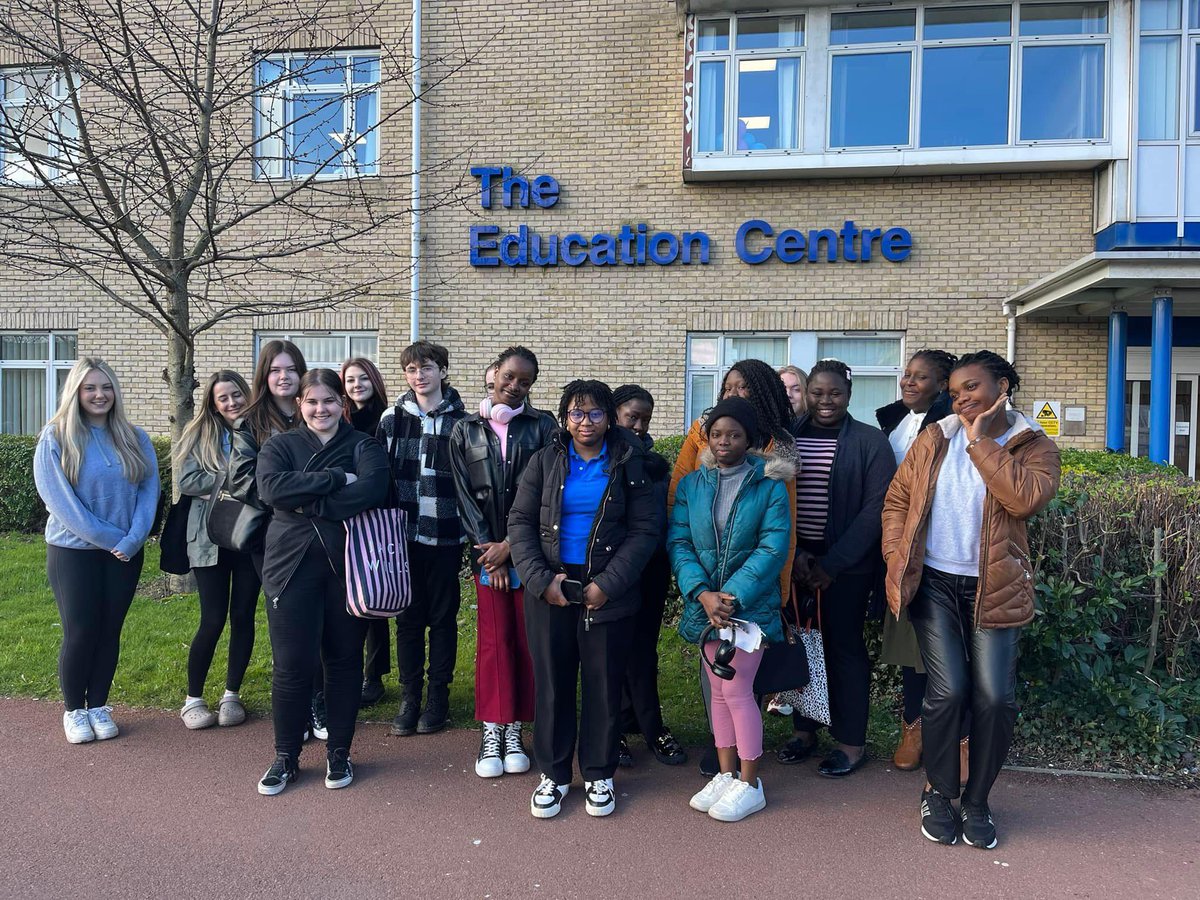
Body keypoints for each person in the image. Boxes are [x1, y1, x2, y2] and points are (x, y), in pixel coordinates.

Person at [882, 351, 1059, 848]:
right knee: (948, 691)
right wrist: (897, 553)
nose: (961, 399)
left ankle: (977, 800)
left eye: (972, 388)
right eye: (955, 391)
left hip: (994, 586)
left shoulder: (1033, 445)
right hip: (935, 583)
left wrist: (981, 441)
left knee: (996, 698)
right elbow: (898, 499)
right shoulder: (935, 437)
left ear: (1002, 386)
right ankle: (939, 792)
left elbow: (1022, 499)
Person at [508, 380, 660, 819]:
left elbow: (644, 531)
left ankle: (598, 773)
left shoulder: (630, 462)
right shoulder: (544, 461)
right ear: (564, 418)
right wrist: (541, 581)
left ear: (609, 417)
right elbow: (520, 521)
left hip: (607, 588)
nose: (586, 422)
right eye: (576, 413)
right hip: (552, 588)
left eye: (595, 413)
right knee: (553, 684)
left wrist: (608, 584)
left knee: (604, 684)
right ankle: (553, 776)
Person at [254, 369, 390, 795]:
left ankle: (340, 751)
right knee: (292, 666)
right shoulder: (279, 445)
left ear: (341, 404)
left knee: (344, 662)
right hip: (289, 566)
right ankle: (285, 755)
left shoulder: (364, 445)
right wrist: (333, 481)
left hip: (348, 566)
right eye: (312, 402)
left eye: (329, 400)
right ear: (300, 405)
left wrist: (303, 501)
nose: (320, 409)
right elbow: (272, 490)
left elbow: (371, 491)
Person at [667, 358, 798, 775]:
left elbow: (773, 547)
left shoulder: (771, 484)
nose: (724, 441)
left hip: (748, 606)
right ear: (707, 438)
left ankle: (749, 780)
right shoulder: (692, 485)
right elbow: (680, 540)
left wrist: (731, 596)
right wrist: (702, 594)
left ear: (750, 439)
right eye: (717, 434)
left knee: (739, 692)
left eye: (734, 434)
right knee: (719, 695)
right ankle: (725, 774)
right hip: (706, 605)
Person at [34, 358, 159, 744]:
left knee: (110, 630)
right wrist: (112, 540)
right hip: (74, 552)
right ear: (76, 392)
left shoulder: (134, 437)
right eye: (90, 388)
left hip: (125, 551)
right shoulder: (55, 437)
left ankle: (98, 706)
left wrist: (135, 537)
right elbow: (61, 503)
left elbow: (148, 491)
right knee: (81, 631)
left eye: (106, 387)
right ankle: (74, 710)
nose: (99, 395)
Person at [780, 359, 895, 776]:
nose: (825, 401)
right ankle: (804, 732)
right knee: (801, 647)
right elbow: (774, 497)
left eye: (835, 394)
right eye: (817, 393)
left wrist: (832, 563)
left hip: (845, 568)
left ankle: (850, 742)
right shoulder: (787, 438)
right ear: (807, 392)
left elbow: (875, 509)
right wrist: (793, 557)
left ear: (849, 395)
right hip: (793, 562)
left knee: (843, 651)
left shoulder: (870, 442)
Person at [449, 346, 555, 779]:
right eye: (509, 377)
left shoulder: (544, 426)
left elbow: (548, 492)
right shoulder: (463, 430)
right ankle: (493, 728)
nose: (515, 387)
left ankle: (516, 728)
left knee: (528, 640)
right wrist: (488, 551)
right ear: (493, 375)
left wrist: (512, 545)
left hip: (528, 553)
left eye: (525, 382)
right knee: (494, 641)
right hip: (486, 555)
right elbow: (462, 494)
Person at [230, 341, 330, 739]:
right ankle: (299, 707)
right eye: (274, 370)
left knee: (322, 623)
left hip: (322, 535)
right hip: (272, 538)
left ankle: (320, 702)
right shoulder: (250, 421)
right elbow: (242, 480)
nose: (283, 376)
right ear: (264, 376)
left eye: (290, 369)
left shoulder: (318, 413)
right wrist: (291, 503)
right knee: (289, 628)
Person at [875, 349, 963, 772]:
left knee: (955, 651)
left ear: (943, 385)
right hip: (903, 550)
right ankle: (914, 727)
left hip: (944, 550)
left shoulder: (953, 428)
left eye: (920, 377)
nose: (908, 382)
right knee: (912, 647)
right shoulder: (893, 422)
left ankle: (961, 737)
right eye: (906, 375)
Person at [378, 341, 467, 736]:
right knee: (409, 619)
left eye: (427, 368)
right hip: (404, 535)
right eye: (412, 369)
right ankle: (410, 694)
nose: (420, 376)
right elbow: (380, 476)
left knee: (443, 618)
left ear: (443, 371)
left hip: (447, 535)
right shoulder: (391, 418)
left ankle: (438, 696)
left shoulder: (463, 422)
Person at [175, 370, 260, 729]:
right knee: (212, 618)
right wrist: (235, 477)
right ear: (212, 402)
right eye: (222, 397)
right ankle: (193, 698)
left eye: (236, 394)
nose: (231, 402)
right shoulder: (200, 434)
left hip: (248, 535)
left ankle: (231, 695)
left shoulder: (259, 429)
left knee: (243, 616)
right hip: (209, 537)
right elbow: (187, 480)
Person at [611, 384, 686, 767]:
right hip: (613, 572)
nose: (639, 426)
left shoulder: (656, 465)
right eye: (632, 418)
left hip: (651, 568)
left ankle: (650, 724)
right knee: (613, 650)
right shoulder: (604, 460)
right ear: (614, 416)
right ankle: (617, 728)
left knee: (643, 649)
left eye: (645, 419)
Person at [340, 357, 392, 708]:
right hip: (346, 514)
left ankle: (374, 676)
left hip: (378, 514)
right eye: (349, 380)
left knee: (375, 596)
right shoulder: (340, 420)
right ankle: (349, 671)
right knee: (350, 598)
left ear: (373, 380)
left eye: (362, 378)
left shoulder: (388, 417)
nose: (356, 384)